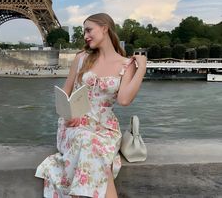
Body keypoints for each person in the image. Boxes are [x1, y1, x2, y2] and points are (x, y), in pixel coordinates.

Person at [35, 13, 147, 198]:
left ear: (105, 28)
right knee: (87, 141)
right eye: (83, 32)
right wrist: (69, 114)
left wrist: (141, 68)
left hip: (105, 129)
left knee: (91, 146)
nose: (85, 36)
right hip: (75, 125)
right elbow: (64, 93)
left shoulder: (127, 65)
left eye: (89, 30)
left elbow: (124, 100)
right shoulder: (81, 58)